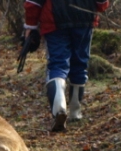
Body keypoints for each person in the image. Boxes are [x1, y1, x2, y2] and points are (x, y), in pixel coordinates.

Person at [24, 0, 110, 132]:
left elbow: (33, 2)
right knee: (80, 63)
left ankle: (59, 108)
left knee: (58, 65)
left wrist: (31, 25)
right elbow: (102, 3)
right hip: (84, 15)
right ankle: (75, 111)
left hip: (54, 18)